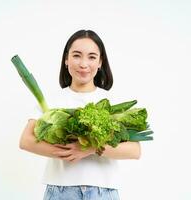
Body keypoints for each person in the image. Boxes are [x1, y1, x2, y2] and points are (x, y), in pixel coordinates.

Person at [19, 30, 141, 200]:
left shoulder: (112, 102)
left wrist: (90, 149)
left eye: (91, 57)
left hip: (103, 193)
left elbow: (134, 150)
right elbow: (26, 141)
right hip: (60, 192)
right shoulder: (51, 100)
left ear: (100, 63)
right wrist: (69, 152)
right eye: (76, 55)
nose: (84, 64)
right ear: (66, 59)